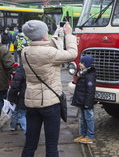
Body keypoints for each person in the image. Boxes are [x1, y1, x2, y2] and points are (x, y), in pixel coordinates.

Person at [21, 20, 77, 157]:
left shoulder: (25, 52)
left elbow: (42, 47)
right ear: (43, 34)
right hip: (50, 104)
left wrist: (57, 35)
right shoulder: (50, 54)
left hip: (32, 103)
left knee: (30, 144)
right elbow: (72, 53)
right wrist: (69, 35)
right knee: (51, 146)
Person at [72, 55, 96, 144]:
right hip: (82, 101)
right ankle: (83, 135)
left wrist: (88, 103)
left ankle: (90, 136)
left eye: (82, 63)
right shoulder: (83, 73)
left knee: (88, 118)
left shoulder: (89, 76)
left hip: (86, 102)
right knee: (82, 118)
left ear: (87, 64)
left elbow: (90, 91)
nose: (79, 64)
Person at [7, 64, 27, 132]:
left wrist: (11, 97)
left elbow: (15, 86)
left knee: (19, 113)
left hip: (21, 96)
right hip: (35, 96)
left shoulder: (21, 69)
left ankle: (15, 126)